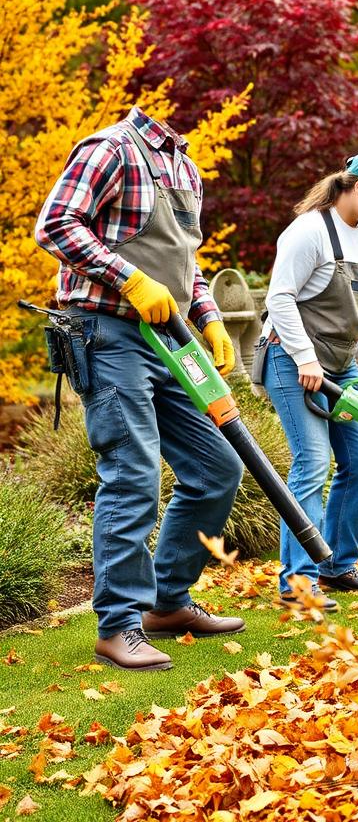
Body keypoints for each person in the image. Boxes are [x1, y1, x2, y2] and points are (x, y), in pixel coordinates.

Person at [36, 107, 246, 672]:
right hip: (107, 333)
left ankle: (166, 603)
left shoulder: (186, 167)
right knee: (132, 475)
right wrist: (128, 278)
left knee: (218, 468)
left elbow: (183, 260)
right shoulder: (110, 149)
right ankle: (117, 625)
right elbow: (55, 225)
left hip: (169, 337)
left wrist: (208, 317)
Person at [259, 151, 358, 609]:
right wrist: (305, 358)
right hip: (289, 359)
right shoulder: (309, 232)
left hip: (341, 365)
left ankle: (337, 565)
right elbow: (280, 298)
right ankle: (298, 583)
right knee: (312, 462)